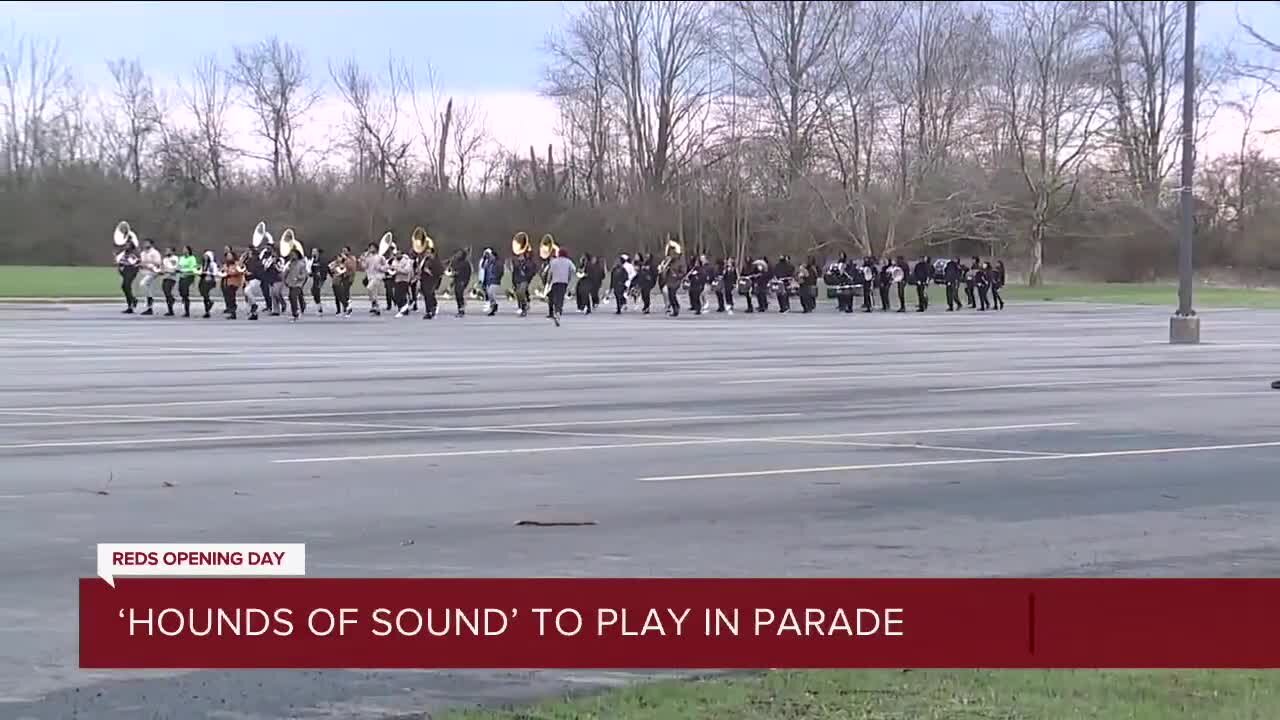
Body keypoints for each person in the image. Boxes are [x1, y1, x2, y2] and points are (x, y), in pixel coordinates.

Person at [546, 248, 576, 326]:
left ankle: (556, 312)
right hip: (564, 282)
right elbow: (574, 270)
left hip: (555, 282)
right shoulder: (568, 261)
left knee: (555, 297)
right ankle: (558, 312)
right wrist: (570, 278)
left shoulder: (554, 261)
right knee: (560, 298)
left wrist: (548, 281)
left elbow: (550, 272)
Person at [416, 246, 444, 319]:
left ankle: (429, 311)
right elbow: (421, 268)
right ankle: (432, 307)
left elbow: (440, 271)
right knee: (427, 295)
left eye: (428, 252)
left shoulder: (436, 261)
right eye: (426, 252)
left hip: (432, 280)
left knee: (429, 295)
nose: (426, 254)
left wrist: (430, 272)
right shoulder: (425, 260)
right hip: (424, 280)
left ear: (432, 253)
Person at [137, 238, 162, 315]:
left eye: (147, 243)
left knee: (143, 284)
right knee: (149, 288)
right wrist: (140, 265)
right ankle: (149, 307)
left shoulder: (155, 252)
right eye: (144, 243)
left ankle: (149, 300)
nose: (145, 244)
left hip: (153, 272)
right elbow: (142, 263)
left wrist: (150, 264)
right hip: (145, 272)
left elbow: (158, 263)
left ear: (151, 244)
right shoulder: (142, 253)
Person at [361, 242, 387, 316]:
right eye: (370, 247)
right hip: (370, 276)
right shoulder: (368, 257)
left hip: (378, 276)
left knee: (369, 288)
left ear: (376, 248)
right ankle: (376, 308)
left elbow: (386, 266)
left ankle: (374, 304)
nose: (371, 249)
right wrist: (362, 260)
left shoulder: (380, 257)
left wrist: (380, 268)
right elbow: (364, 267)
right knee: (374, 293)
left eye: (372, 247)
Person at [283, 248, 308, 321]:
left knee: (293, 296)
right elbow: (288, 273)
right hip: (291, 283)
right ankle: (299, 308)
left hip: (298, 284)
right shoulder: (291, 263)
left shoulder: (301, 264)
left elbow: (304, 275)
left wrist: (298, 277)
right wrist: (286, 280)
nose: (292, 256)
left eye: (293, 254)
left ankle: (296, 312)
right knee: (291, 297)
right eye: (291, 255)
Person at [116, 239, 141, 314]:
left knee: (126, 285)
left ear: (131, 246)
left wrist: (133, 264)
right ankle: (131, 303)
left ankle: (132, 302)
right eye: (126, 245)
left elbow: (136, 262)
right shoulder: (124, 253)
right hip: (125, 270)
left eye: (128, 245)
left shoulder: (134, 253)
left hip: (131, 270)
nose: (126, 246)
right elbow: (121, 261)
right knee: (125, 287)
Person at [511, 248, 537, 317]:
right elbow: (514, 273)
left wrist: (525, 268)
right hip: (517, 280)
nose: (520, 256)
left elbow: (532, 270)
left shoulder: (529, 263)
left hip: (524, 280)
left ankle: (524, 306)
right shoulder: (517, 263)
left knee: (521, 292)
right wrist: (513, 282)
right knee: (518, 294)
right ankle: (522, 306)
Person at [480, 248, 504, 316]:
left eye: (491, 255)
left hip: (495, 281)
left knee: (491, 293)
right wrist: (484, 259)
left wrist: (497, 277)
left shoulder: (498, 262)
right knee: (490, 294)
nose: (490, 257)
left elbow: (501, 271)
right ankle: (493, 307)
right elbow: (483, 267)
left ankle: (494, 306)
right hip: (488, 281)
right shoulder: (488, 262)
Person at [448, 249, 472, 317]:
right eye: (458, 253)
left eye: (459, 254)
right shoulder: (456, 262)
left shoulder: (466, 263)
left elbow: (468, 273)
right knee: (457, 295)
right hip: (457, 280)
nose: (458, 255)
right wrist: (453, 275)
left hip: (462, 281)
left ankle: (461, 309)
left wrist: (465, 281)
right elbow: (453, 270)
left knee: (460, 294)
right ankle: (460, 309)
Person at [221, 250, 244, 320]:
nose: (228, 257)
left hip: (234, 282)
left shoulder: (237, 264)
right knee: (228, 297)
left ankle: (233, 312)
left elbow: (238, 271)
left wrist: (229, 272)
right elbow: (222, 271)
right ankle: (231, 310)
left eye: (230, 256)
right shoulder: (225, 264)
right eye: (227, 256)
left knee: (231, 296)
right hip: (227, 282)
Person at [176, 246, 198, 317]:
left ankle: (187, 311)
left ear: (188, 250)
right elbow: (179, 266)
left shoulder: (192, 258)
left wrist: (185, 271)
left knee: (185, 291)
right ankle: (184, 298)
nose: (184, 251)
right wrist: (178, 269)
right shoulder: (181, 258)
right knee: (180, 289)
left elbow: (193, 268)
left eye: (185, 249)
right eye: (183, 249)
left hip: (189, 275)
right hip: (182, 275)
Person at [392, 251, 415, 317]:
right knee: (396, 295)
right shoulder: (394, 261)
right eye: (396, 254)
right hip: (397, 280)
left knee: (402, 296)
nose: (397, 255)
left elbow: (407, 271)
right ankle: (401, 307)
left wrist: (397, 269)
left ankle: (404, 309)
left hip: (404, 280)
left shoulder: (407, 261)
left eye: (398, 254)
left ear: (401, 254)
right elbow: (393, 269)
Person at [309, 247, 329, 315]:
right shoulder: (313, 260)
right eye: (312, 251)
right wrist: (311, 273)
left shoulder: (322, 260)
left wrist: (323, 279)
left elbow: (325, 270)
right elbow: (312, 269)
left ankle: (319, 308)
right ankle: (319, 306)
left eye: (313, 251)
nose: (312, 253)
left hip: (320, 279)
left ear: (317, 252)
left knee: (316, 291)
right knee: (313, 291)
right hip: (315, 278)